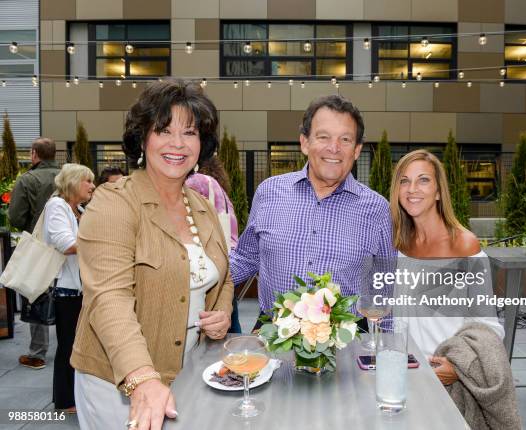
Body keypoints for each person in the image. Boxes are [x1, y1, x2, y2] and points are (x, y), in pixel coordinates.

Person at [70, 79, 233, 430]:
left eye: (189, 133)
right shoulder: (114, 202)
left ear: (202, 144)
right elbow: (108, 297)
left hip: (187, 372)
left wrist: (221, 312)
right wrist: (141, 378)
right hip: (120, 382)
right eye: (164, 130)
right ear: (142, 138)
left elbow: (223, 275)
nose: (178, 144)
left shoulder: (203, 206)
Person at [230, 95, 395, 329]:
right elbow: (247, 257)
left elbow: (383, 288)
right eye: (323, 136)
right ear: (305, 142)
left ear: (357, 150)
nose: (334, 148)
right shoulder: (269, 192)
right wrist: (198, 279)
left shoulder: (377, 209)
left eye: (345, 139)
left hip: (347, 339)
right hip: (273, 334)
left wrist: (384, 349)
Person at [390, 150, 519, 428]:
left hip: (444, 381)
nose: (412, 189)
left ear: (438, 192)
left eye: (423, 180)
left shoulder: (465, 246)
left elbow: (489, 326)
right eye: (404, 181)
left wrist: (457, 369)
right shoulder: (397, 245)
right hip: (405, 377)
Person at [43, 163, 95, 413]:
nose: (92, 186)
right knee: (68, 346)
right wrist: (99, 240)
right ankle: (64, 401)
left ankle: (75, 396)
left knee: (78, 344)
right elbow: (65, 243)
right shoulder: (57, 206)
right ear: (74, 182)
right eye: (88, 181)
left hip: (80, 288)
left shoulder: (78, 209)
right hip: (66, 288)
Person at [8, 137, 60, 370]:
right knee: (72, 295)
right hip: (71, 246)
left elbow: (16, 217)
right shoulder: (69, 176)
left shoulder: (28, 179)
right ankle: (72, 348)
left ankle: (38, 352)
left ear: (34, 154)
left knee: (36, 292)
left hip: (40, 246)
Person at [186, 156, 241, 332]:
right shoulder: (217, 187)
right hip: (225, 258)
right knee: (229, 323)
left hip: (207, 260)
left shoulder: (197, 181)